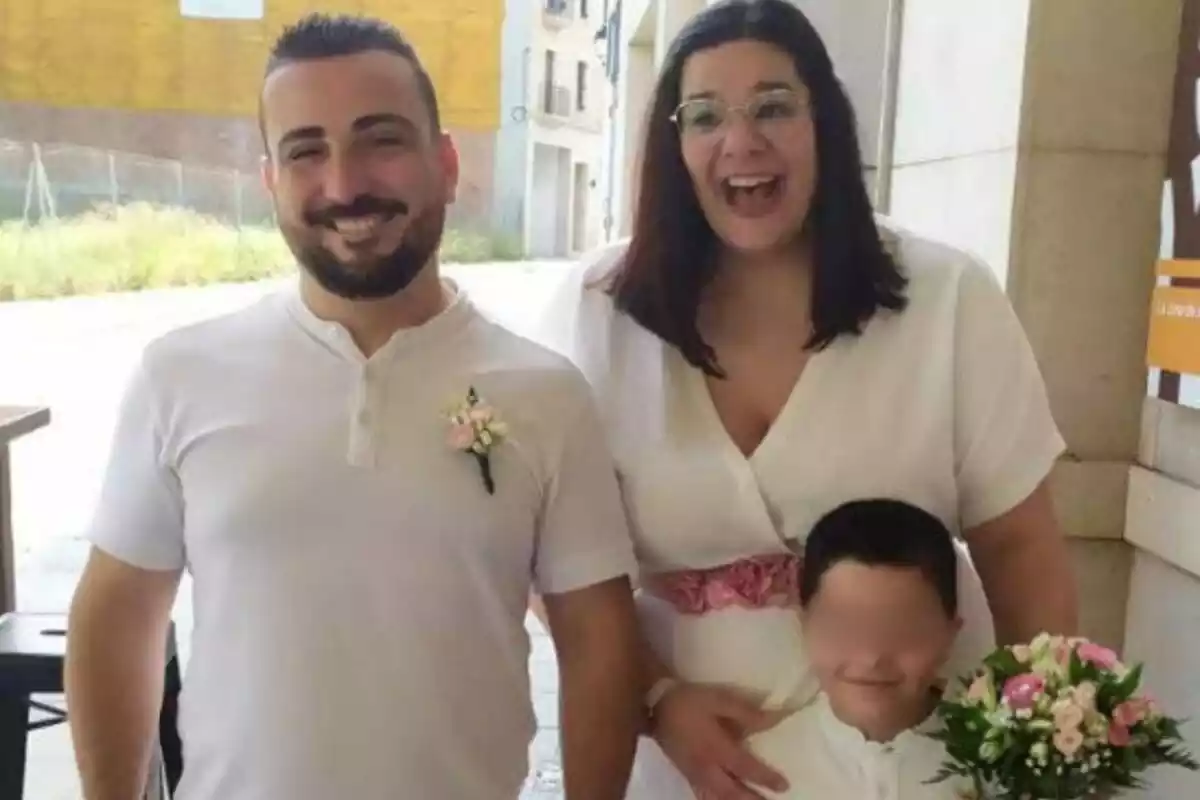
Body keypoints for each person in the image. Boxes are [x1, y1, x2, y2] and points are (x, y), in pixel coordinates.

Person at [64, 13, 643, 800]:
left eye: (383, 140)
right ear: (271, 179)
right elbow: (117, 620)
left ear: (445, 163)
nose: (344, 185)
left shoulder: (545, 393)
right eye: (306, 151)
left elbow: (598, 643)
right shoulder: (181, 376)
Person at [532, 0, 1078, 798]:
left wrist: (1045, 752)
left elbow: (1023, 549)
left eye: (775, 107)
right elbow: (553, 564)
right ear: (672, 146)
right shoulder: (595, 310)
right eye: (705, 115)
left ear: (826, 122)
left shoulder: (947, 296)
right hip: (692, 763)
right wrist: (655, 699)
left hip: (923, 759)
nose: (741, 141)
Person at [745, 499, 968, 800]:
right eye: (845, 626)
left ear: (949, 635)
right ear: (805, 626)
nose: (871, 656)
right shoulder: (757, 769)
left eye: (901, 628)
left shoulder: (1004, 763)